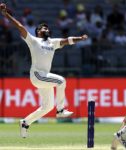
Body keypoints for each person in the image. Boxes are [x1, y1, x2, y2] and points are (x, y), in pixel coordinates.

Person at [0, 3, 88, 138]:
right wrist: (6, 15)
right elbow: (20, 27)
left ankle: (25, 122)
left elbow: (66, 41)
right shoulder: (33, 40)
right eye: (42, 28)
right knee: (61, 81)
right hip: (37, 75)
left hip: (44, 78)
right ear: (38, 32)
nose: (46, 29)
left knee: (47, 107)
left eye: (47, 27)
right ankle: (60, 110)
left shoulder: (52, 42)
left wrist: (80, 38)